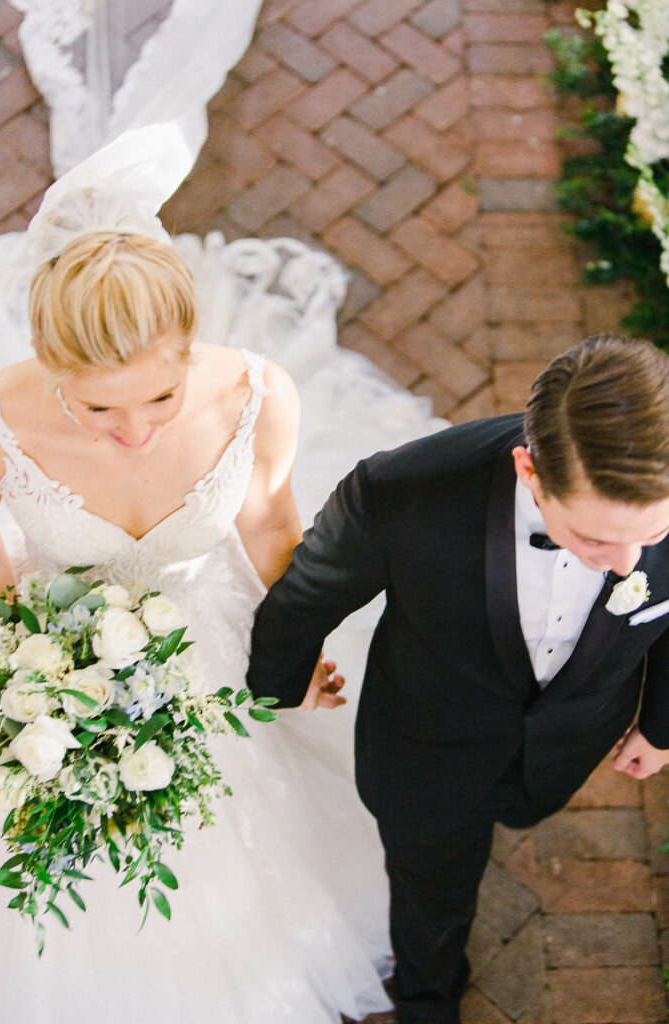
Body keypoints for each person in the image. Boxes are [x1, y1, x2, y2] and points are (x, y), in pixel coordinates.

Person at [0, 225, 396, 1023]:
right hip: (52, 656)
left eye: (161, 399)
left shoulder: (257, 395)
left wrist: (292, 651)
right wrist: (19, 661)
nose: (135, 431)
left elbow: (272, 528)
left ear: (188, 346)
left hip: (213, 633)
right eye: (98, 405)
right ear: (48, 357)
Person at [247, 333, 669, 1024]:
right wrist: (280, 685)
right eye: (593, 538)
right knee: (429, 893)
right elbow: (304, 598)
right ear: (529, 472)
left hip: (570, 738)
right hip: (427, 750)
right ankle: (427, 996)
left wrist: (658, 725)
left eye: (647, 536)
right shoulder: (401, 494)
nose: (627, 564)